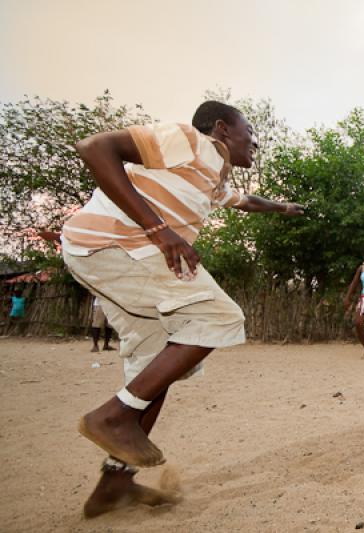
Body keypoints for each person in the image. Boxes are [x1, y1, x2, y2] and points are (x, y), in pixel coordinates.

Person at [60, 101, 304, 517]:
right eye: (251, 132)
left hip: (116, 253)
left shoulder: (212, 174)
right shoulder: (190, 140)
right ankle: (113, 418)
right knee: (219, 317)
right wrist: (161, 231)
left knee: (154, 369)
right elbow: (95, 146)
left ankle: (114, 483)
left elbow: (244, 201)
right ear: (224, 129)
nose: (256, 142)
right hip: (118, 245)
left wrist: (282, 208)